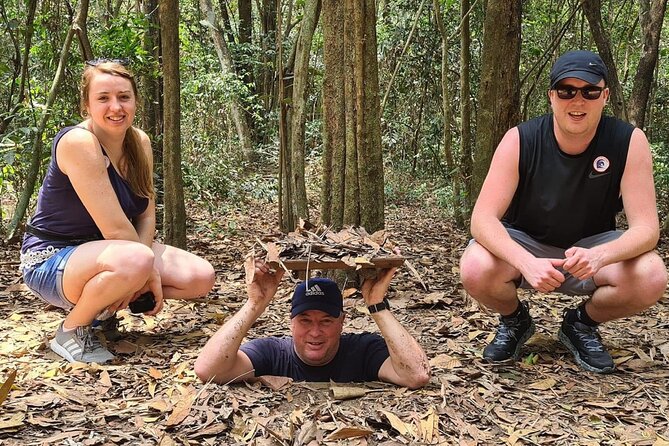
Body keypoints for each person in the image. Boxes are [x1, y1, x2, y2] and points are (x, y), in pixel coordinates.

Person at [459, 50, 667, 374]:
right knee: (475, 266)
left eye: (589, 91)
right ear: (552, 96)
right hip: (527, 243)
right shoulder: (520, 140)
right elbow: (482, 219)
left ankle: (581, 324)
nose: (578, 101)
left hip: (591, 248)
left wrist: (600, 256)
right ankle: (515, 321)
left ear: (605, 95)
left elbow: (646, 229)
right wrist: (525, 262)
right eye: (567, 91)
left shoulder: (628, 141)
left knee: (652, 276)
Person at [20, 59, 216, 364]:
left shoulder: (140, 142)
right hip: (52, 259)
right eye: (103, 98)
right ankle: (72, 329)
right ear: (86, 105)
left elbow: (147, 214)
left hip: (111, 254)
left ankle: (104, 310)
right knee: (136, 259)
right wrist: (145, 273)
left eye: (124, 97)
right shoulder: (78, 142)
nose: (116, 107)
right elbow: (115, 230)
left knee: (200, 277)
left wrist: (142, 268)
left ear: (136, 100)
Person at [194, 260, 431, 389]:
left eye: (326, 321)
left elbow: (416, 374)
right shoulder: (273, 353)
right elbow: (208, 370)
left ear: (342, 323)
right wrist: (255, 303)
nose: (315, 332)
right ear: (291, 324)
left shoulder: (363, 350)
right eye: (305, 320)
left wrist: (377, 304)